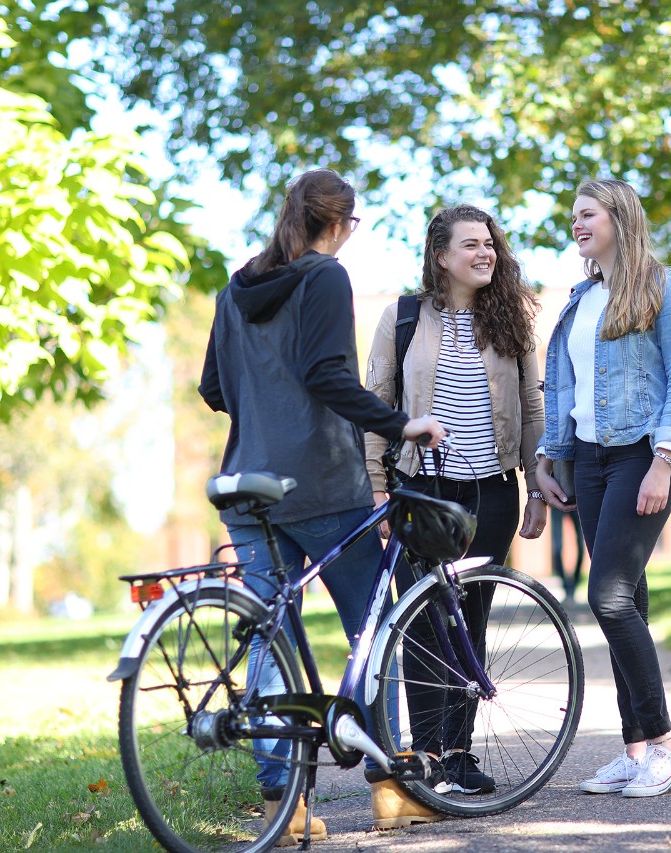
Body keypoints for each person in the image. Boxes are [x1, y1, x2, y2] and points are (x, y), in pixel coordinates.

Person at [198, 168, 447, 842]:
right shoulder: (324, 276)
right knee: (376, 627)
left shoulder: (235, 286)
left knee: (269, 633)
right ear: (338, 221)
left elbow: (212, 387)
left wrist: (262, 405)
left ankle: (285, 805)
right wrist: (402, 424)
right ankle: (390, 787)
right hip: (322, 482)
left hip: (246, 484)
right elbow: (326, 376)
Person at [364, 204, 546, 797]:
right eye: (471, 244)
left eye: (490, 243)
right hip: (422, 490)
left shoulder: (512, 319)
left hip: (491, 491)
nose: (485, 252)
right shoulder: (402, 318)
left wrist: (537, 488)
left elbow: (533, 406)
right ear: (441, 257)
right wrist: (376, 488)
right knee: (421, 624)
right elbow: (378, 408)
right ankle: (428, 754)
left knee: (472, 618)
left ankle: (461, 753)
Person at [534, 178, 671, 799]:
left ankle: (663, 744)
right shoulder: (581, 300)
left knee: (606, 597)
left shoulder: (668, 288)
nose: (576, 224)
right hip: (589, 460)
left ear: (619, 217)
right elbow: (564, 389)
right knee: (628, 597)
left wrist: (664, 459)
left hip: (643, 454)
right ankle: (635, 753)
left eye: (587, 213)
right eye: (572, 215)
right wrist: (550, 457)